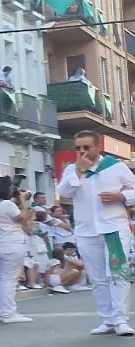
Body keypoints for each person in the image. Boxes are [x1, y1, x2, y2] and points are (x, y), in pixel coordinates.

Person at [56, 129, 135, 336]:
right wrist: (79, 172)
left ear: (97, 147)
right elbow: (64, 192)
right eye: (78, 148)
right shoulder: (71, 170)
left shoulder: (115, 167)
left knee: (117, 274)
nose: (81, 151)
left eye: (86, 147)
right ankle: (107, 320)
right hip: (86, 231)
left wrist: (121, 197)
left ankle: (120, 320)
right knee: (98, 277)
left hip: (114, 230)